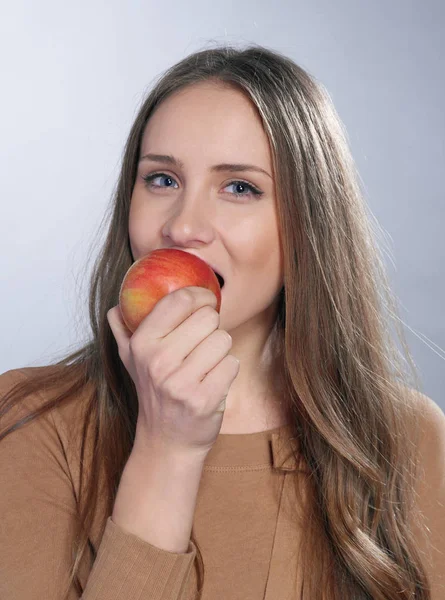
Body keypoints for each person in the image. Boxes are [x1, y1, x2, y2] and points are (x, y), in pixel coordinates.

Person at [0, 43, 444, 600]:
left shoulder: (409, 437)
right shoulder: (30, 420)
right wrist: (166, 450)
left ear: (309, 225)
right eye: (162, 179)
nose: (184, 228)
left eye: (240, 187)